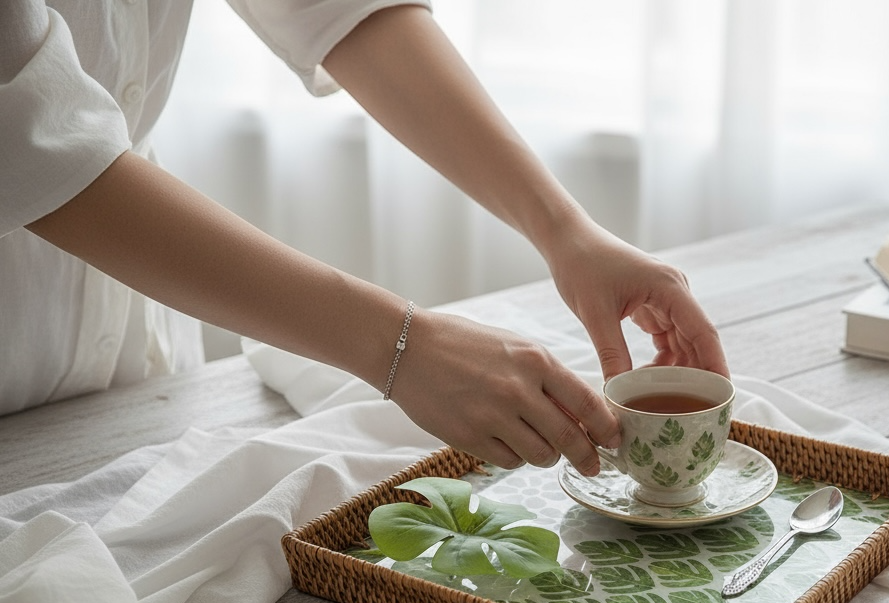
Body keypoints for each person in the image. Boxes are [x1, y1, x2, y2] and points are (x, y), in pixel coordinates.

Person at [1, 1, 729, 478]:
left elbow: (338, 8)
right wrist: (397, 346)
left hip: (138, 355)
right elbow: (35, 141)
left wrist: (567, 233)